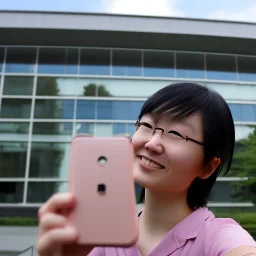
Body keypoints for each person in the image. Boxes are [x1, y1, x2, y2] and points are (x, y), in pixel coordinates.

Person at [37, 83, 256, 256]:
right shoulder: (103, 238)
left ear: (208, 166)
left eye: (176, 134)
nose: (152, 143)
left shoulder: (218, 237)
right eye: (148, 125)